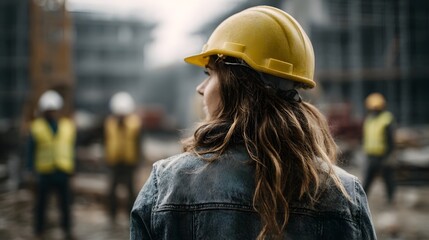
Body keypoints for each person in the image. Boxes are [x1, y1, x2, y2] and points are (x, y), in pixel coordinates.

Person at [131, 6, 376, 240]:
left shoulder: (167, 186)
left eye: (210, 74)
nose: (200, 88)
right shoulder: (343, 195)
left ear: (237, 84)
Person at [27, 90, 76, 239]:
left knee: (65, 205)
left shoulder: (68, 126)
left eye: (54, 110)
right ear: (44, 111)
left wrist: (74, 168)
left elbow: (72, 149)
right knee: (41, 205)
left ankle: (67, 230)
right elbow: (30, 150)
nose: (52, 113)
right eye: (49, 111)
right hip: (45, 172)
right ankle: (39, 230)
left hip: (62, 170)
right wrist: (30, 169)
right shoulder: (36, 127)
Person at [104, 92, 142, 223]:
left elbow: (139, 144)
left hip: (129, 162)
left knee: (130, 190)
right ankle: (112, 216)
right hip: (114, 161)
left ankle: (130, 216)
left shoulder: (135, 124)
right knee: (112, 190)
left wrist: (138, 161)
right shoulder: (109, 123)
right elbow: (106, 141)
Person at [362, 92, 396, 205]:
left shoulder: (386, 119)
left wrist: (390, 155)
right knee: (368, 179)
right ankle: (362, 199)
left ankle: (390, 199)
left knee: (388, 178)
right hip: (371, 155)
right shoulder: (369, 120)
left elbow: (391, 139)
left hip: (383, 155)